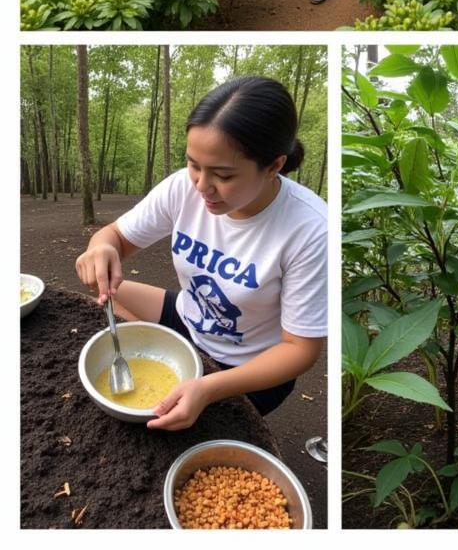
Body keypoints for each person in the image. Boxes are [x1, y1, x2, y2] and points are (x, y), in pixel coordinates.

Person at [75, 76, 327, 431]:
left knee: (179, 428)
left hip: (248, 366)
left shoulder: (311, 228)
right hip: (188, 318)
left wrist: (207, 387)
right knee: (101, 288)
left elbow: (300, 350)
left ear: (274, 166)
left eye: (223, 174)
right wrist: (101, 247)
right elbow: (115, 235)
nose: (202, 186)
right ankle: (156, 354)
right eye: (194, 164)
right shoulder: (183, 187)